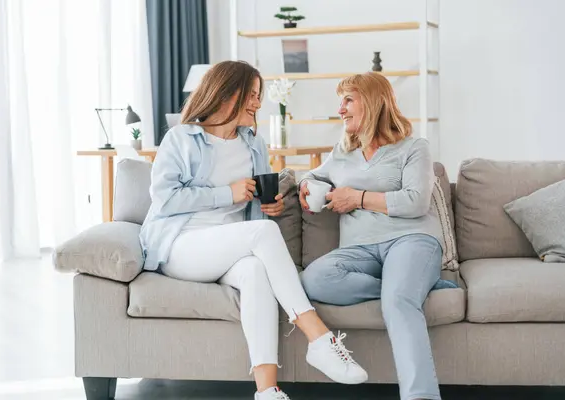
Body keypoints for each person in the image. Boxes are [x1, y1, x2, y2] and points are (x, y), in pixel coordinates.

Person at [139, 60, 368, 400]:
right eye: (253, 95)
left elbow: (260, 202)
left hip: (231, 247)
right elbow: (163, 198)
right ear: (227, 93)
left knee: (257, 271)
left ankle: (268, 391)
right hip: (182, 244)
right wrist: (226, 193)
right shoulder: (181, 139)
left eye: (260, 96)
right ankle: (318, 337)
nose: (258, 104)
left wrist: (270, 206)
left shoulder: (253, 144)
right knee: (261, 234)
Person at [299, 72, 456, 400]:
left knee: (398, 302)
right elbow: (313, 175)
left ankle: (421, 397)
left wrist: (356, 197)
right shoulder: (342, 152)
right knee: (314, 279)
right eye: (340, 101)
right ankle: (417, 285)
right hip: (359, 249)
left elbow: (415, 201)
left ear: (371, 102)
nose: (340, 109)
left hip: (411, 239)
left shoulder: (413, 148)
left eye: (348, 100)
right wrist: (304, 184)